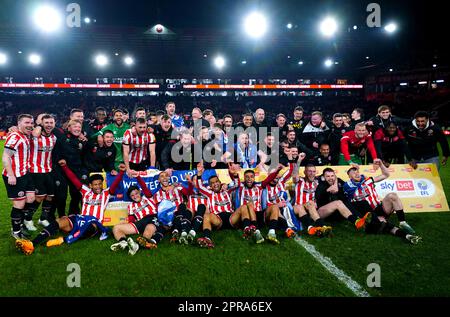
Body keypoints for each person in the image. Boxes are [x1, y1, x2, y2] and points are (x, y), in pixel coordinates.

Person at [15, 161, 125, 255]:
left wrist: (121, 172)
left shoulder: (106, 193)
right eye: (95, 184)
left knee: (89, 227)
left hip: (93, 224)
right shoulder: (85, 191)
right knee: (59, 221)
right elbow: (73, 179)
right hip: (79, 219)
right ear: (90, 185)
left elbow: (115, 183)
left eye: (100, 184)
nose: (98, 187)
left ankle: (60, 240)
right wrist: (64, 167)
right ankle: (31, 244)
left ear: (102, 184)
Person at [343, 159, 416, 235]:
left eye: (357, 172)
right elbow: (349, 202)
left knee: (392, 195)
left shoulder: (368, 180)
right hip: (368, 213)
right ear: (349, 176)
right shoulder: (348, 185)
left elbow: (386, 175)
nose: (356, 174)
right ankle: (403, 234)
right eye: (353, 173)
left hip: (380, 207)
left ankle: (402, 222)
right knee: (382, 225)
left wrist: (381, 164)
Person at [193, 162, 255, 248]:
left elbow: (237, 185)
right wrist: (199, 174)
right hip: (218, 219)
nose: (215, 183)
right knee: (207, 215)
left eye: (217, 181)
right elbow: (200, 186)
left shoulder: (227, 191)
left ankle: (247, 229)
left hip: (231, 218)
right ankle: (207, 238)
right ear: (210, 186)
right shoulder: (209, 193)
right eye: (213, 183)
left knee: (243, 207)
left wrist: (235, 174)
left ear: (220, 182)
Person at [233, 163, 288, 244]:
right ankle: (257, 232)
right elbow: (235, 180)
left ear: (254, 178)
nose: (249, 179)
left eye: (251, 177)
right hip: (247, 216)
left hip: (260, 214)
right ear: (244, 178)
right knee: (250, 204)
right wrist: (234, 174)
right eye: (247, 177)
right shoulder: (240, 186)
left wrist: (277, 171)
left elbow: (269, 178)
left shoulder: (259, 185)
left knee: (274, 207)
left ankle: (271, 233)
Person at [2, 114, 35, 240]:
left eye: (31, 123)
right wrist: (11, 175)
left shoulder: (25, 135)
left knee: (31, 198)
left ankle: (20, 222)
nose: (30, 125)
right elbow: (6, 157)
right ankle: (16, 231)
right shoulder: (15, 136)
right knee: (19, 204)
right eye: (27, 122)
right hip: (15, 175)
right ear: (19, 123)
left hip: (25, 173)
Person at [110, 175, 162, 255]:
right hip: (140, 222)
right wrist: (125, 224)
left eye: (136, 193)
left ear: (140, 192)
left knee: (148, 230)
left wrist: (137, 177)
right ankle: (123, 243)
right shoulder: (130, 206)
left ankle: (137, 245)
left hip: (152, 219)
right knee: (116, 228)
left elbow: (144, 186)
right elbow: (131, 220)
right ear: (130, 197)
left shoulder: (148, 197)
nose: (135, 196)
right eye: (132, 195)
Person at [25, 114, 57, 230]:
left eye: (51, 123)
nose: (49, 125)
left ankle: (43, 218)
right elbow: (31, 132)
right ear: (42, 124)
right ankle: (27, 219)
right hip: (35, 171)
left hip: (48, 171)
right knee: (39, 196)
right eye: (46, 123)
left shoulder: (54, 138)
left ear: (54, 124)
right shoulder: (34, 136)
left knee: (50, 196)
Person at [293, 164, 332, 237]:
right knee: (304, 205)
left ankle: (320, 227)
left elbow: (333, 177)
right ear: (305, 172)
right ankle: (316, 226)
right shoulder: (300, 181)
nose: (312, 173)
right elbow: (295, 175)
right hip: (297, 208)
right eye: (309, 171)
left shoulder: (317, 181)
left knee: (311, 203)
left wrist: (335, 184)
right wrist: (299, 160)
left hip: (310, 209)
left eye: (313, 171)